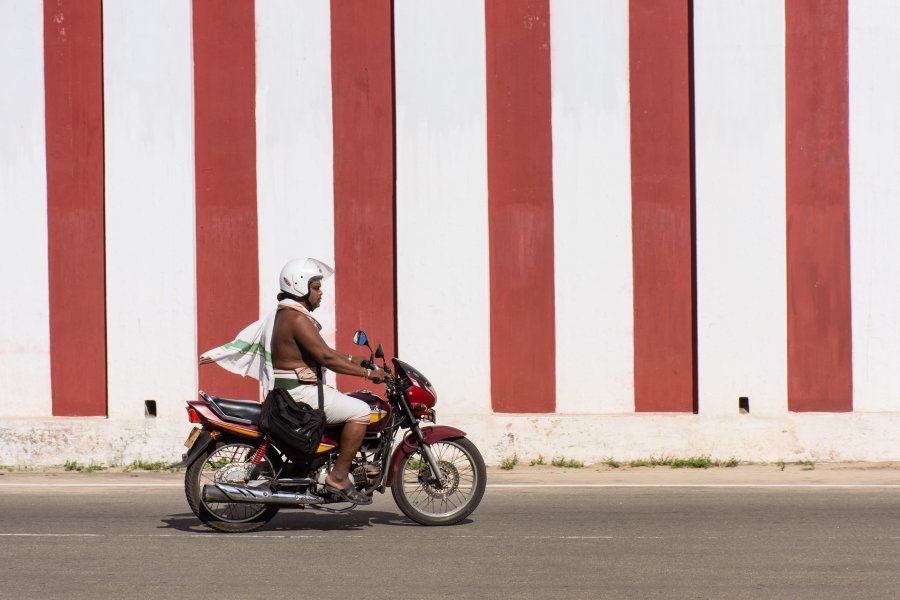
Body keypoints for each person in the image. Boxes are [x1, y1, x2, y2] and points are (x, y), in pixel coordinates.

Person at [270, 258, 388, 505]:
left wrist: (353, 359)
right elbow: (324, 357)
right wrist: (368, 375)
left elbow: (322, 352)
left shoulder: (290, 314)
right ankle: (339, 477)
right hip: (300, 393)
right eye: (315, 287)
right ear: (300, 287)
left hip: (297, 390)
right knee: (361, 411)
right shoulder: (296, 318)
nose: (320, 292)